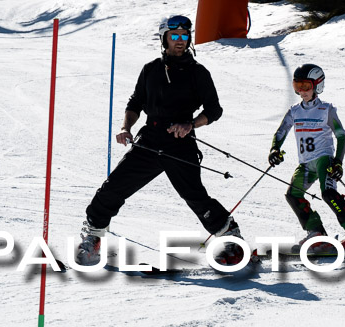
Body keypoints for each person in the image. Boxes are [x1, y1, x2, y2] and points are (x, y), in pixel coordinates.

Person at [77, 15, 244, 266]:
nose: (180, 41)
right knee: (113, 188)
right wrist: (125, 127)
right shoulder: (151, 69)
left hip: (180, 143)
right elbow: (135, 104)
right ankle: (93, 237)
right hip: (149, 140)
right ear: (164, 38)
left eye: (184, 36)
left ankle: (231, 239)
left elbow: (214, 110)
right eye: (174, 36)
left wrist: (191, 125)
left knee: (195, 197)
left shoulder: (198, 73)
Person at [268, 64, 345, 251]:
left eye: (306, 86)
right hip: (305, 163)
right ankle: (316, 233)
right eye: (297, 86)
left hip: (323, 159)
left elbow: (341, 135)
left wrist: (338, 162)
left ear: (318, 85)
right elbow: (281, 132)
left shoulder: (326, 110)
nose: (302, 91)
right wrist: (274, 150)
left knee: (328, 193)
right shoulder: (294, 111)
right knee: (293, 195)